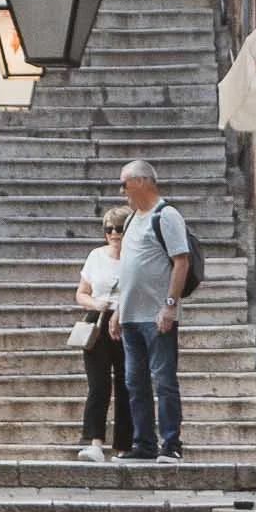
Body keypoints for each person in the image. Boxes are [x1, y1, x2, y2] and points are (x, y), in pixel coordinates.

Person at [110, 157, 189, 461]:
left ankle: (171, 444)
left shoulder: (165, 215)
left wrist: (169, 305)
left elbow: (181, 261)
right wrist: (118, 311)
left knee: (164, 380)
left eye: (124, 183)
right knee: (135, 383)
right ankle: (143, 444)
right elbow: (128, 270)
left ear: (142, 181)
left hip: (156, 316)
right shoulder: (131, 218)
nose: (122, 191)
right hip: (130, 317)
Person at [75, 206, 132, 463]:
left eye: (118, 228)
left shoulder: (135, 257)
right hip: (98, 322)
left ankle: (124, 445)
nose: (113, 233)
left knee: (126, 384)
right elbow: (81, 292)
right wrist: (96, 304)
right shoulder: (96, 256)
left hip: (127, 323)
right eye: (108, 228)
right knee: (98, 384)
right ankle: (95, 442)